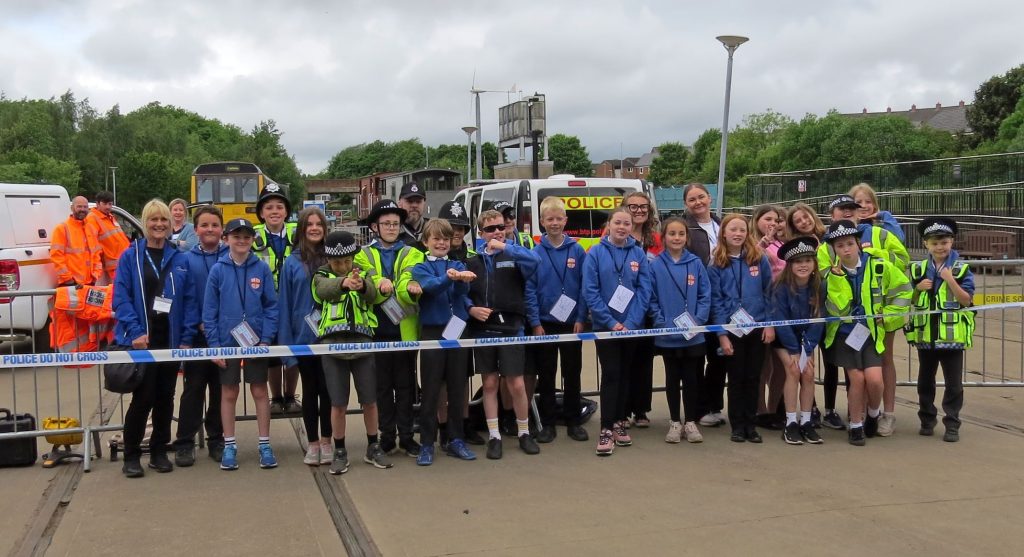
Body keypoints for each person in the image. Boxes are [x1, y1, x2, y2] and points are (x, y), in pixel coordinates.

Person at [113, 199, 198, 478]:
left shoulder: (180, 258)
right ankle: (132, 453)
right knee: (143, 397)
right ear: (145, 223)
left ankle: (160, 450)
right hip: (143, 341)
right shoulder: (130, 256)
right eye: (153, 220)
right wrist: (135, 331)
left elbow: (189, 301)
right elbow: (121, 297)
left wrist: (186, 338)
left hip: (170, 340)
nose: (159, 225)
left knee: (165, 397)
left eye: (163, 220)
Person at [819, 194, 909, 436]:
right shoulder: (828, 259)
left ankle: (874, 414)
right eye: (839, 245)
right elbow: (833, 301)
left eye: (849, 243)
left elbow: (902, 283)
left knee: (875, 379)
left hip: (875, 329)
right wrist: (836, 279)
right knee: (856, 380)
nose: (845, 249)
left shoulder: (878, 249)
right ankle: (856, 424)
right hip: (845, 331)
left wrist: (888, 315)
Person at [312, 231, 393, 474]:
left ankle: (372, 445)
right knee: (338, 403)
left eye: (347, 261)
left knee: (370, 400)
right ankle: (339, 449)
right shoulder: (321, 275)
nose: (343, 266)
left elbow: (373, 295)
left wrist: (361, 286)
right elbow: (322, 291)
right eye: (337, 262)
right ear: (328, 259)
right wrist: (344, 283)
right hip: (333, 346)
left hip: (363, 345)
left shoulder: (362, 272)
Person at [204, 218, 279, 470]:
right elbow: (210, 311)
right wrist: (214, 344)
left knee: (259, 391)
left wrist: (266, 339)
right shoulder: (218, 270)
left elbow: (271, 306)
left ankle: (265, 444)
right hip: (227, 341)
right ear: (227, 239)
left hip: (255, 341)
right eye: (237, 236)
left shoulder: (261, 268)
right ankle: (229, 445)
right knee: (229, 392)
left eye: (247, 236)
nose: (242, 241)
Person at [466, 209, 542, 459]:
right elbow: (464, 293)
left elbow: (535, 262)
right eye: (490, 229)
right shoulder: (474, 261)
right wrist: (471, 309)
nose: (497, 232)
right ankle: (495, 435)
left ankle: (523, 431)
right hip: (485, 329)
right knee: (489, 383)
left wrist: (507, 247)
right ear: (481, 233)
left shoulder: (516, 254)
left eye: (500, 227)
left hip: (512, 327)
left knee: (516, 383)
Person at [356, 199, 424, 457]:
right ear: (375, 226)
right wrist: (378, 282)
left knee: (406, 386)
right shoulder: (363, 254)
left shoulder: (412, 251)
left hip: (404, 329)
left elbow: (411, 279)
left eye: (396, 223)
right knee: (382, 387)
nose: (392, 227)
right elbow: (365, 283)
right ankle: (386, 436)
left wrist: (398, 287)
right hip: (376, 329)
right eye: (386, 223)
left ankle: (406, 435)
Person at [583, 206, 653, 456]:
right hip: (606, 327)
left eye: (627, 223)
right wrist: (611, 322)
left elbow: (645, 290)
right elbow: (590, 291)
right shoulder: (596, 253)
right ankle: (605, 428)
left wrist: (632, 322)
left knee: (625, 374)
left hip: (632, 327)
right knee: (612, 374)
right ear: (609, 225)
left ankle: (619, 423)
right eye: (618, 223)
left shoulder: (638, 254)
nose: (623, 227)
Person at [410, 219, 478, 465]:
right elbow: (431, 288)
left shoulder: (457, 263)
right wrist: (451, 278)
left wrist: (462, 282)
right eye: (436, 239)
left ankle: (456, 439)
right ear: (426, 242)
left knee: (458, 388)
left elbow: (461, 295)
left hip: (457, 331)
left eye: (446, 239)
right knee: (430, 389)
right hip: (432, 332)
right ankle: (427, 443)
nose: (441, 243)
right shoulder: (420, 267)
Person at [525, 197, 589, 443]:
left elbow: (584, 286)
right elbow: (530, 290)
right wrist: (535, 323)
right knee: (547, 373)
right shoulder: (535, 253)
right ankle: (548, 422)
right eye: (549, 219)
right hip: (545, 323)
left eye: (558, 219)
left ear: (566, 220)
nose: (554, 223)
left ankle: (574, 420)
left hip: (572, 322)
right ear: (542, 222)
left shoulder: (577, 250)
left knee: (573, 372)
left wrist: (581, 317)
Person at [906, 217, 974, 442]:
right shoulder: (919, 269)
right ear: (926, 244)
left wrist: (950, 281)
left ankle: (952, 423)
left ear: (952, 241)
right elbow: (909, 301)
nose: (940, 247)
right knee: (925, 382)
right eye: (934, 242)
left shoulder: (961, 269)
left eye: (944, 241)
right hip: (926, 337)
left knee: (954, 384)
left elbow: (967, 301)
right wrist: (917, 289)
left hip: (952, 338)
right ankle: (927, 419)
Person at [708, 214, 775, 444]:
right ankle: (737, 426)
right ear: (723, 233)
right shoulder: (716, 262)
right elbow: (715, 301)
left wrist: (768, 324)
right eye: (733, 229)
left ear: (747, 233)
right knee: (736, 378)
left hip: (756, 328)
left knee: (753, 377)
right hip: (732, 330)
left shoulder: (759, 258)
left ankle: (751, 424)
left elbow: (769, 293)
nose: (737, 234)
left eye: (742, 230)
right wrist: (722, 335)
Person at [278, 208, 334, 466]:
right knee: (311, 390)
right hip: (303, 338)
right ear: (301, 228)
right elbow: (285, 305)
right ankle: (312, 443)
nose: (314, 228)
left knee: (328, 390)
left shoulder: (333, 258)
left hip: (331, 335)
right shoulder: (291, 262)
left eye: (318, 224)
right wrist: (287, 347)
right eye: (309, 224)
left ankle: (327, 440)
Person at [173, 206, 227, 466]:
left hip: (224, 337)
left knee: (220, 390)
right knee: (193, 390)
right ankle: (185, 441)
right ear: (195, 230)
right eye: (204, 225)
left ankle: (217, 439)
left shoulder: (231, 257)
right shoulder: (186, 259)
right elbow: (185, 299)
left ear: (222, 229)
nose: (209, 229)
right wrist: (197, 325)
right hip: (197, 335)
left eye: (214, 225)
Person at [648, 217, 710, 444]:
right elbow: (651, 298)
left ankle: (691, 421)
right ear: (663, 237)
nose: (676, 238)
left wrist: (697, 321)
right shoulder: (655, 265)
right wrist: (661, 321)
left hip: (693, 334)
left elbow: (705, 295)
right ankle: (675, 421)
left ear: (687, 237)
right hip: (668, 335)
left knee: (692, 378)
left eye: (681, 234)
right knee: (672, 378)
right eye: (672, 234)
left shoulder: (695, 263)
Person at [434, 200, 486, 446]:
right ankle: (443, 427)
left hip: (464, 324)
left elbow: (474, 293)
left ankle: (464, 424)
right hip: (438, 323)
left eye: (461, 227)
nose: (456, 232)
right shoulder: (433, 256)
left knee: (463, 377)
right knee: (441, 380)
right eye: (451, 226)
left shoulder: (474, 258)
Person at [680, 183, 727, 429]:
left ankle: (714, 406)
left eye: (701, 197)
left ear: (709, 198)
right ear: (686, 204)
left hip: (723, 301)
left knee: (719, 359)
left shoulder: (723, 224)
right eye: (692, 199)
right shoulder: (686, 229)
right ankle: (697, 410)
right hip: (699, 302)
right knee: (698, 359)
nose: (698, 202)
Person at [251, 183, 300, 415]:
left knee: (292, 352)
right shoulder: (252, 235)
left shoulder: (297, 233)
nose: (274, 211)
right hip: (264, 306)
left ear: (286, 211)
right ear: (261, 212)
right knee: (270, 355)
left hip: (292, 304)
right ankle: (276, 398)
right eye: (269, 207)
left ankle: (291, 397)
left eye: (279, 206)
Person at [771, 237, 825, 445]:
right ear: (789, 265)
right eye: (797, 261)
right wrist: (795, 350)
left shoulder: (819, 285)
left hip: (806, 340)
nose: (803, 265)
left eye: (807, 260)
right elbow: (780, 320)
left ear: (814, 263)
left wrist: (808, 348)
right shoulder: (781, 286)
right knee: (794, 370)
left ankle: (807, 421)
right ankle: (791, 421)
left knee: (809, 372)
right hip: (785, 340)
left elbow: (819, 318)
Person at [622, 191, 661, 428]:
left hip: (650, 306)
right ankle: (623, 409)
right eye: (633, 206)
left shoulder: (656, 239)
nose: (638, 210)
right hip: (624, 309)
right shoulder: (616, 234)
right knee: (625, 360)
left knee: (644, 362)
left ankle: (641, 409)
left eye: (643, 207)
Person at [50, 195, 103, 354]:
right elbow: (56, 256)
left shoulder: (90, 228)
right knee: (69, 322)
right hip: (71, 285)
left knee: (87, 319)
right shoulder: (62, 228)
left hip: (88, 283)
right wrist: (68, 280)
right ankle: (68, 352)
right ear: (72, 207)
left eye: (85, 207)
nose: (82, 210)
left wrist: (96, 274)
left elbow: (96, 253)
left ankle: (85, 350)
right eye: (79, 206)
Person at [751, 205, 787, 432]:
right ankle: (760, 409)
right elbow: (748, 260)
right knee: (762, 365)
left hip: (783, 308)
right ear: (757, 221)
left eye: (776, 219)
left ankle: (774, 407)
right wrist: (762, 243)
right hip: (762, 308)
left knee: (780, 366)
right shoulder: (753, 244)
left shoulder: (783, 245)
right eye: (767, 219)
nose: (772, 223)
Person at [84, 190, 129, 283]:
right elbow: (92, 245)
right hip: (113, 266)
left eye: (110, 204)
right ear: (97, 203)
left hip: (122, 262)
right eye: (105, 204)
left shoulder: (109, 216)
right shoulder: (92, 218)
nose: (108, 207)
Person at [397, 182, 428, 248]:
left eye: (418, 202)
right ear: (400, 204)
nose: (414, 205)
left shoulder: (432, 229)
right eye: (410, 201)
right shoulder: (393, 231)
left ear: (424, 204)